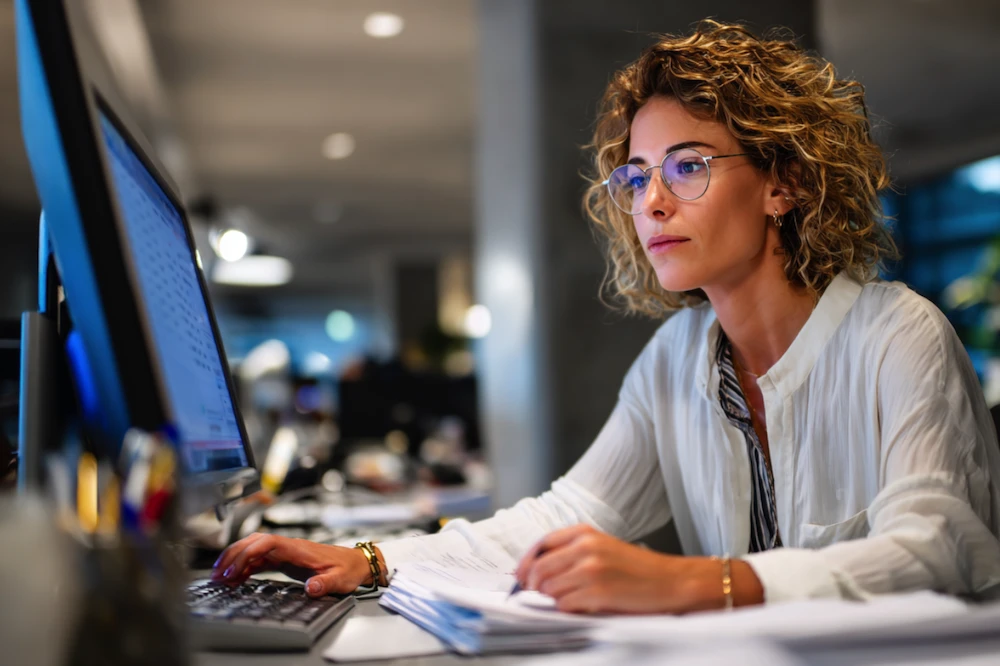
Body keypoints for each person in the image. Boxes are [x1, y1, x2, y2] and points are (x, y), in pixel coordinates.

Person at [212, 21, 1000, 613]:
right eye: (637, 175)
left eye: (688, 166)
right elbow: (571, 513)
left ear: (782, 184)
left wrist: (696, 582)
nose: (651, 201)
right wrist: (373, 560)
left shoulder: (898, 335)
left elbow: (936, 546)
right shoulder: (677, 356)